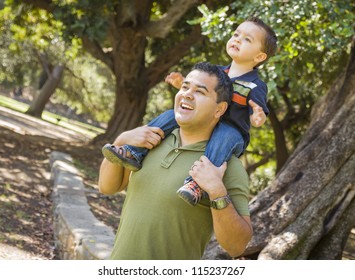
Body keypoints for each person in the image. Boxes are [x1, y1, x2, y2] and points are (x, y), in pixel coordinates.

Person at [102, 17, 277, 206]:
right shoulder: (217, 73)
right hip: (205, 120)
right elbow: (200, 92)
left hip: (232, 130)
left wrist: (257, 117)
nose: (237, 39)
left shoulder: (255, 85)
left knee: (224, 137)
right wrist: (182, 85)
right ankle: (134, 152)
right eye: (236, 34)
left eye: (247, 39)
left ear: (259, 57)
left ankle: (196, 184)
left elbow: (258, 111)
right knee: (170, 115)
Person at [98, 62, 252, 260]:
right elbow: (107, 186)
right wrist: (122, 140)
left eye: (200, 92)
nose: (187, 94)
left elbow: (237, 247)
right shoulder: (152, 139)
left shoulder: (224, 167)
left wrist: (216, 190)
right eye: (185, 87)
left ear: (219, 109)